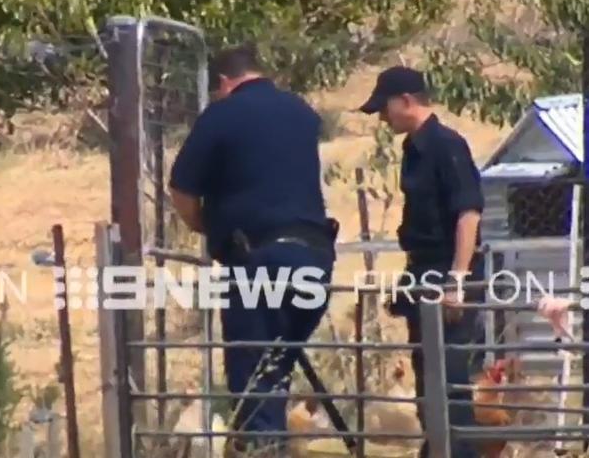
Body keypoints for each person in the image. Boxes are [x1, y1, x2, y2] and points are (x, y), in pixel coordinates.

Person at [168, 44, 338, 457]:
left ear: (224, 82)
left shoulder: (222, 114)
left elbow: (182, 190)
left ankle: (264, 451)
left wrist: (209, 228)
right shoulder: (300, 111)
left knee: (255, 384)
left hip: (260, 262)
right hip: (315, 258)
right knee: (276, 369)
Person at [357, 65, 486, 457]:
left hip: (446, 267)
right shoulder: (412, 149)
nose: (382, 116)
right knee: (428, 378)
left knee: (449, 378)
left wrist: (457, 279)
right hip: (423, 268)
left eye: (386, 107)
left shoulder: (446, 145)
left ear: (407, 101)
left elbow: (468, 213)